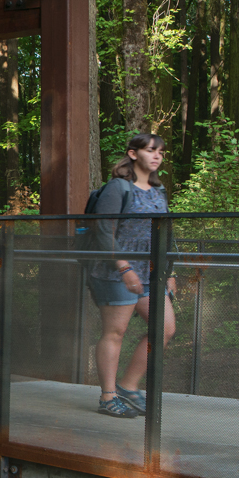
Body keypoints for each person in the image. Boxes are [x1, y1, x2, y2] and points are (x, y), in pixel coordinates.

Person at [88, 133, 176, 419]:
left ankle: (128, 385)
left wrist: (169, 271)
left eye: (161, 152)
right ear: (133, 154)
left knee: (163, 328)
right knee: (116, 331)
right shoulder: (118, 188)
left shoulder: (158, 190)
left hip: (150, 273)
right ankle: (108, 396)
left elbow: (166, 234)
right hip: (116, 271)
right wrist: (124, 267)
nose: (157, 156)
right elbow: (104, 232)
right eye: (151, 151)